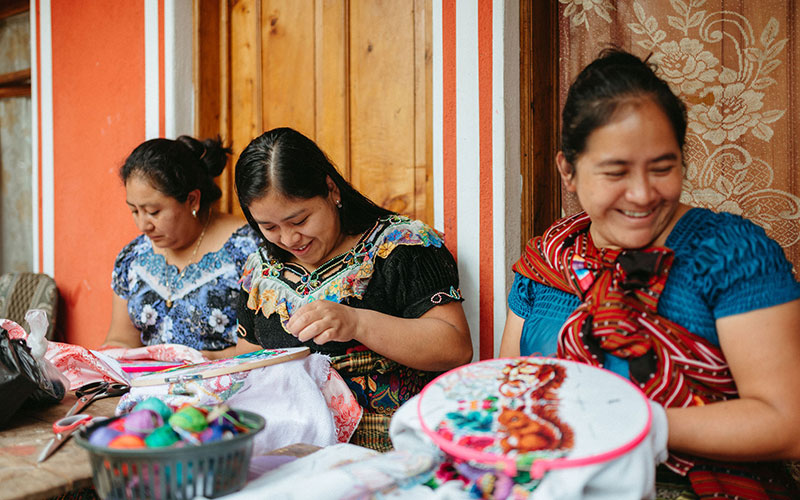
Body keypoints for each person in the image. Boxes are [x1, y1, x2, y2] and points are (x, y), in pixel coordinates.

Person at [499, 49, 800, 498]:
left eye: (663, 168)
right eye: (615, 172)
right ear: (568, 170)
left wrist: (638, 422)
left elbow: (787, 421)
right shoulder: (549, 259)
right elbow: (509, 388)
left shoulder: (732, 255)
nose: (642, 194)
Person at [231, 127, 472, 451]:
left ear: (331, 190)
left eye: (299, 220)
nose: (288, 239)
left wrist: (357, 323)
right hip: (289, 452)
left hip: (391, 450)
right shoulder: (259, 270)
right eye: (269, 227)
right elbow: (249, 361)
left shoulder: (401, 245)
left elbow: (454, 346)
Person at [102, 136, 260, 359]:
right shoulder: (133, 258)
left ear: (192, 200)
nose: (143, 225)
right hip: (150, 389)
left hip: (231, 385)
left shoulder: (249, 250)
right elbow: (121, 339)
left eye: (154, 212)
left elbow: (270, 346)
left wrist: (207, 360)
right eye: (135, 211)